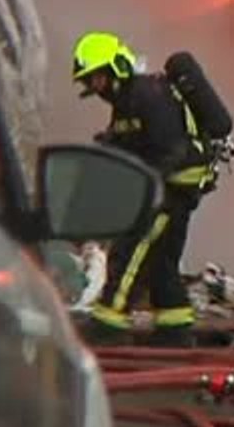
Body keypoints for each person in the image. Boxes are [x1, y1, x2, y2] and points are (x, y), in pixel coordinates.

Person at [72, 31, 216, 347]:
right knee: (162, 259)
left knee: (132, 246)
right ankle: (175, 328)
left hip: (174, 185)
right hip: (170, 183)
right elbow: (131, 139)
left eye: (94, 78)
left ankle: (109, 321)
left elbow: (172, 149)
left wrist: (147, 181)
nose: (92, 87)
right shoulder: (127, 101)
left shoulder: (148, 95)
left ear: (114, 69)